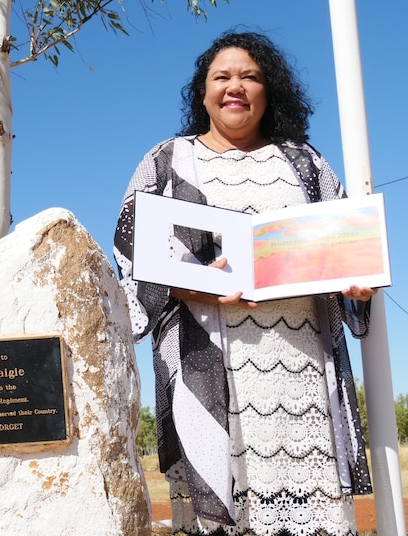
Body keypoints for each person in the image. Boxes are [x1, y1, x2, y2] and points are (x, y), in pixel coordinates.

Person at [113, 30, 377, 536]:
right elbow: (131, 260)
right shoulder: (167, 161)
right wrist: (191, 285)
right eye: (222, 76)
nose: (236, 86)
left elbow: (344, 244)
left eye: (250, 76)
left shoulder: (304, 163)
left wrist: (356, 285)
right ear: (203, 91)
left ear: (268, 90)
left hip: (300, 369)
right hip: (206, 373)